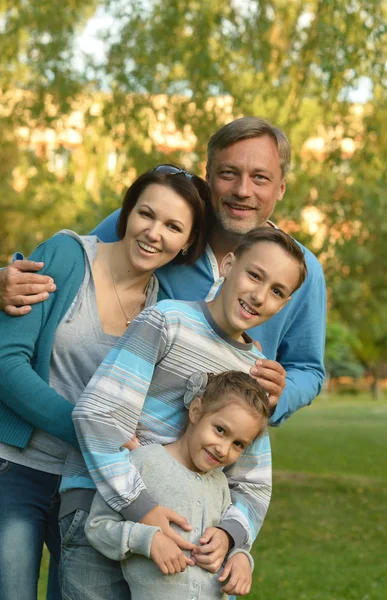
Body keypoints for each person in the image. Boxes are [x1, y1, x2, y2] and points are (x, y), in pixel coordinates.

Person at [0, 116, 326, 426]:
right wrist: (5, 279)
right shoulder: (156, 224)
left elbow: (308, 368)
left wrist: (277, 396)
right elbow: (75, 265)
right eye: (228, 173)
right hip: (120, 434)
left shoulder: (303, 269)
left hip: (214, 451)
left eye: (260, 177)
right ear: (208, 177)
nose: (242, 190)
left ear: (281, 187)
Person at [58, 226, 308, 599]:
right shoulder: (167, 322)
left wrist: (230, 537)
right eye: (255, 275)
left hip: (182, 540)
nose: (258, 295)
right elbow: (97, 415)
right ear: (228, 265)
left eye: (276, 291)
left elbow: (253, 482)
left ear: (284, 305)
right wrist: (141, 509)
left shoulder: (255, 371)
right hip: (103, 511)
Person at [0, 166, 211, 600]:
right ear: (127, 213)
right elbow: (7, 365)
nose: (154, 233)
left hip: (91, 489)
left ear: (187, 242)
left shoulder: (166, 313)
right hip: (17, 468)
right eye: (146, 215)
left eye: (173, 226)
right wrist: (92, 430)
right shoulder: (67, 256)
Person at [84, 370, 270, 600]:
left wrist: (241, 558)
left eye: (239, 444)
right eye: (220, 430)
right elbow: (97, 527)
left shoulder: (221, 484)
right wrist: (147, 540)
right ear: (196, 411)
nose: (223, 449)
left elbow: (226, 544)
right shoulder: (144, 462)